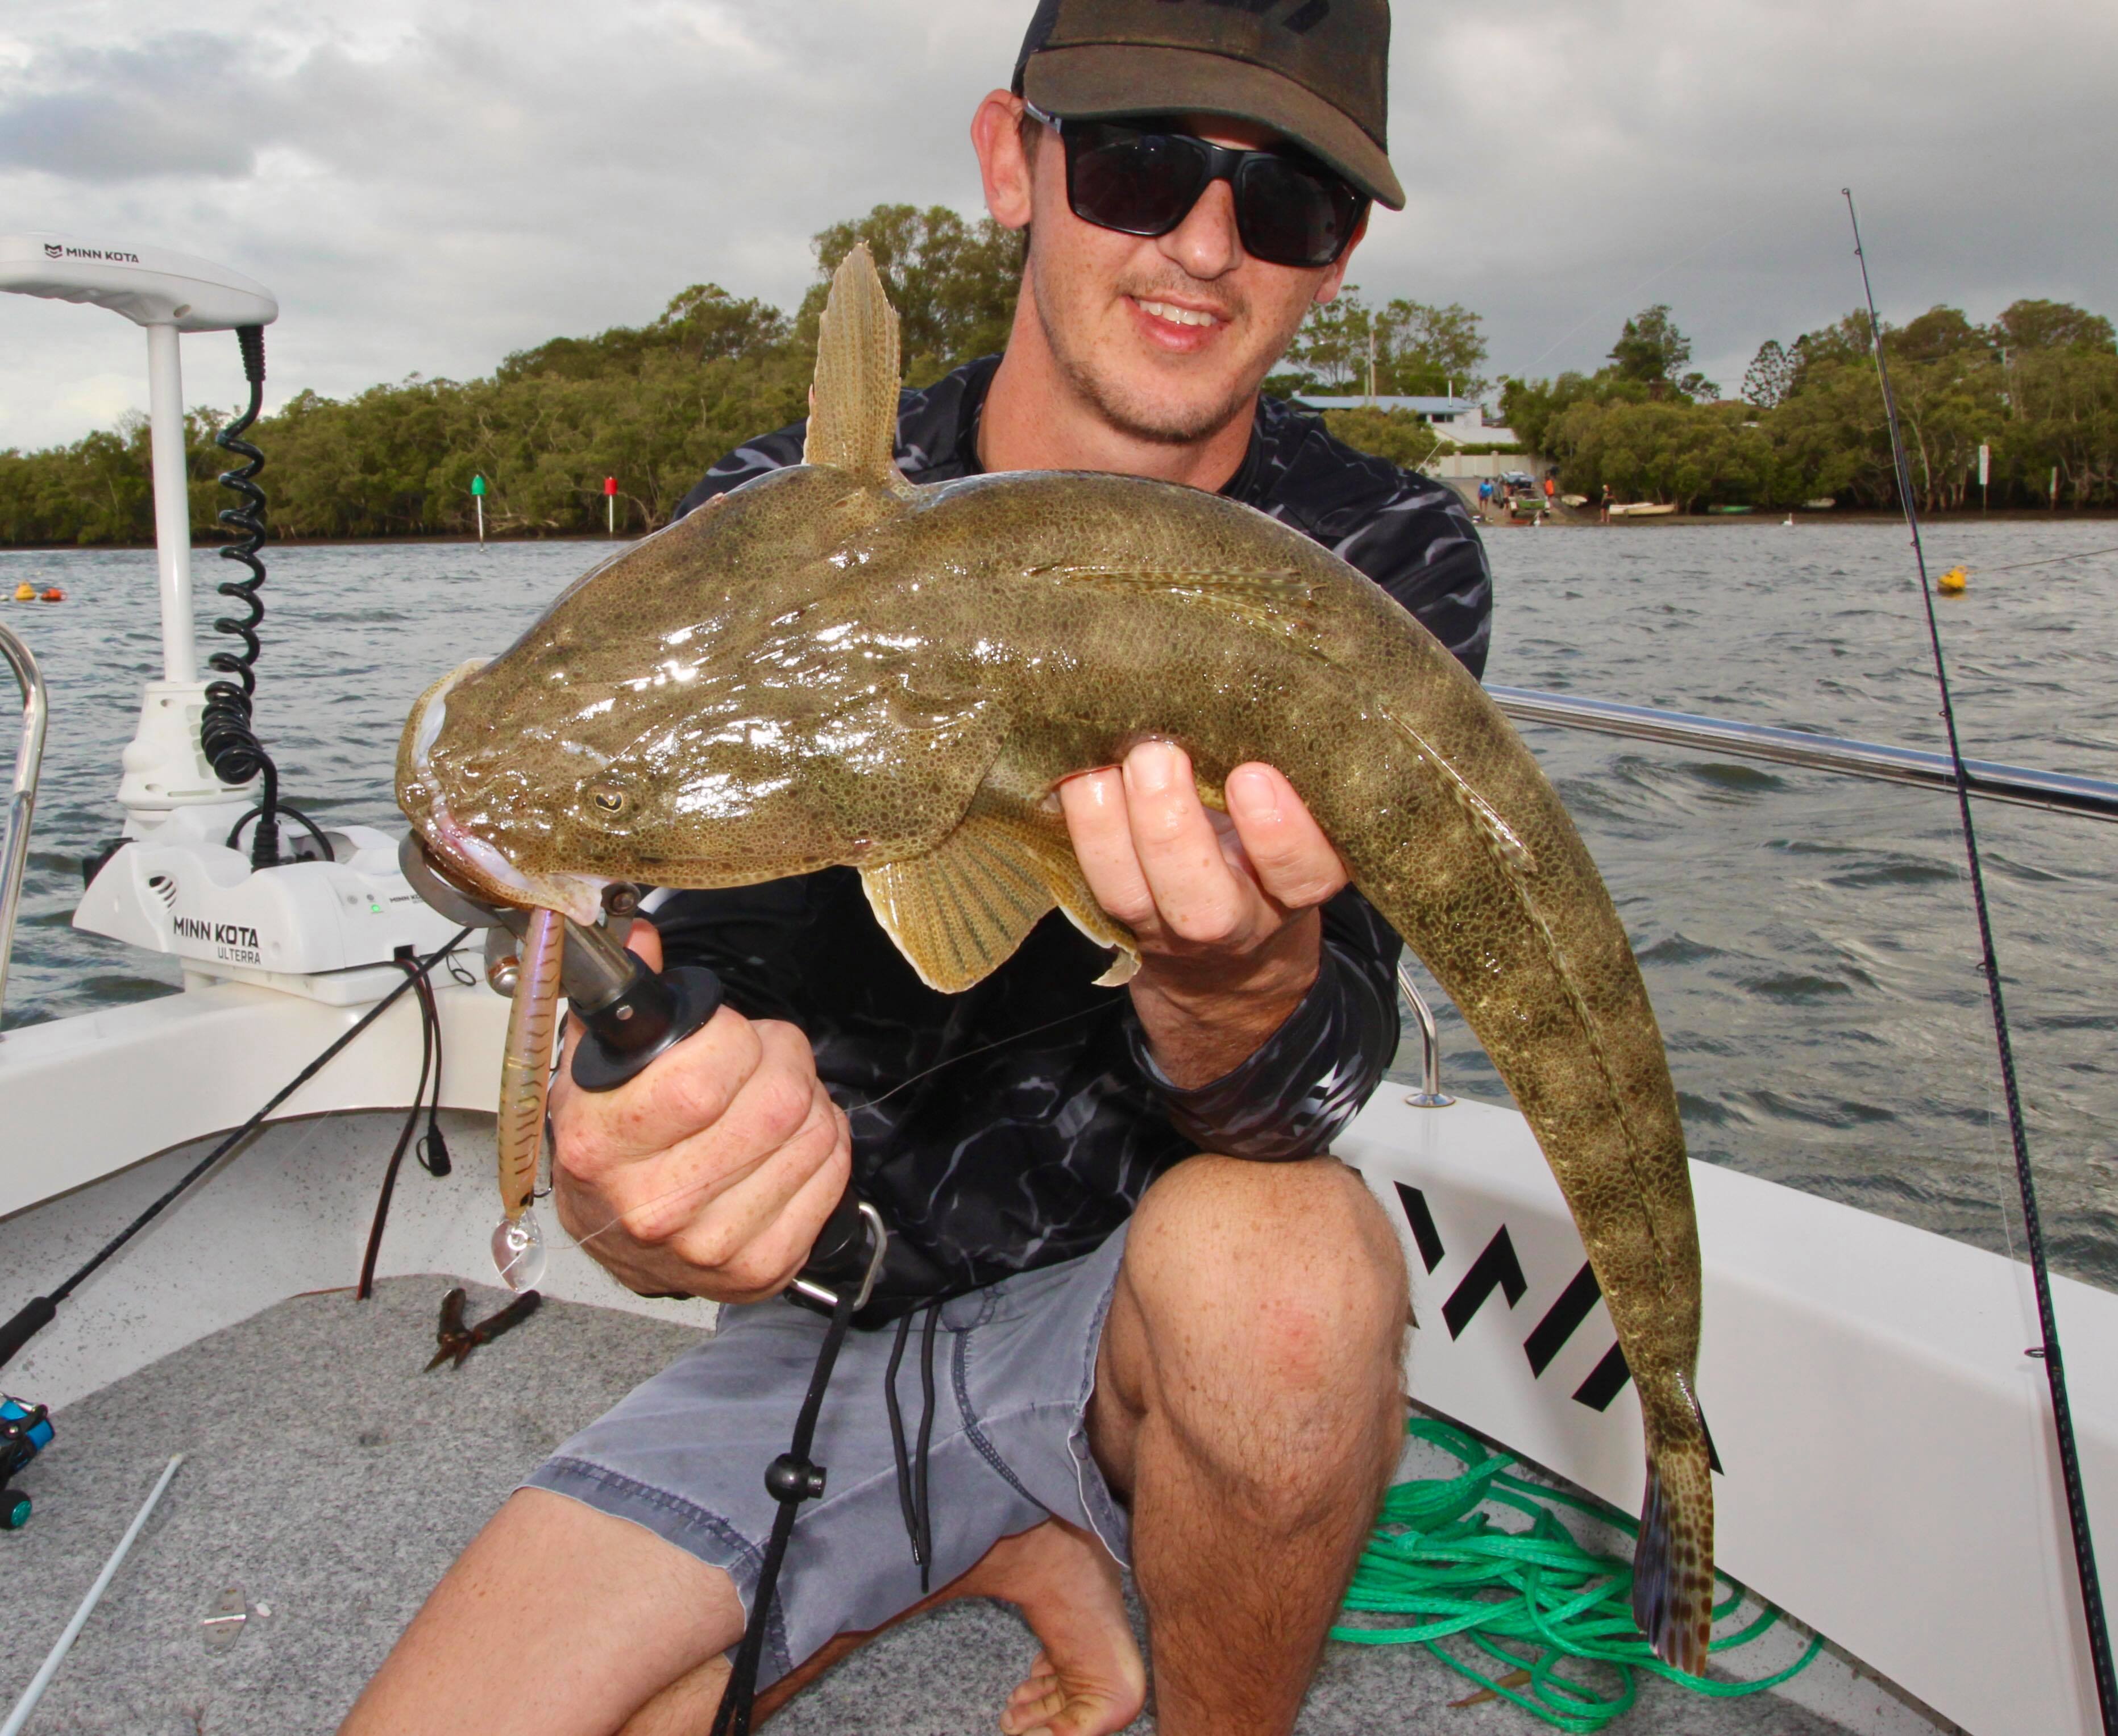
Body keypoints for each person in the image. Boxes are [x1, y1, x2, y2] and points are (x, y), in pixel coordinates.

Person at [343, 3, 1492, 1733]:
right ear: (1007, 160)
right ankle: (1002, 1545)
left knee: (1290, 1282)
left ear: (1341, 260)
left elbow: (1306, 1087)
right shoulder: (766, 533)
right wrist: (631, 1194)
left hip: (1131, 1330)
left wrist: (1232, 980)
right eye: (1138, 163)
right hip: (821, 1329)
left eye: (1291, 205)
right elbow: (633, 985)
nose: (1202, 243)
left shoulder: (1379, 562)